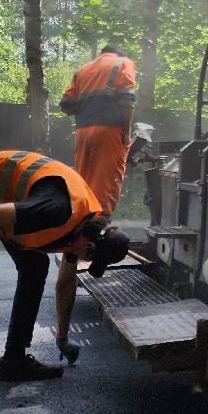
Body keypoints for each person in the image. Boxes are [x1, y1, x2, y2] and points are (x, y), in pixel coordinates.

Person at [0, 150, 130, 406]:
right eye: (90, 258)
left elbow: (65, 282)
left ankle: (14, 362)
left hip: (10, 200)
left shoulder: (82, 231)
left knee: (35, 267)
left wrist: (62, 337)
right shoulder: (56, 211)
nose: (84, 260)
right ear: (90, 246)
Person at [55, 45, 137, 363]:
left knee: (85, 196)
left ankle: (81, 246)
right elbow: (127, 100)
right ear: (116, 53)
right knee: (105, 195)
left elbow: (65, 104)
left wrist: (87, 116)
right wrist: (125, 134)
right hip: (108, 133)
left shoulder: (84, 69)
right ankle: (96, 250)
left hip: (83, 134)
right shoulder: (123, 63)